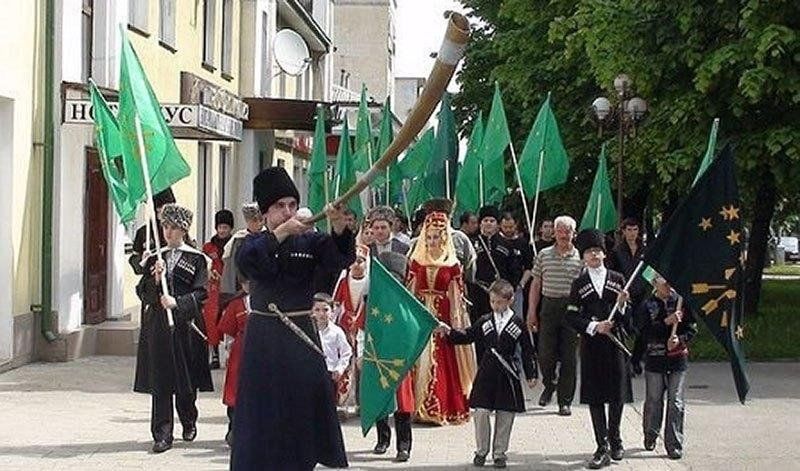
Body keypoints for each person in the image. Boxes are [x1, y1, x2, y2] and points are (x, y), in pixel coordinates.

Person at [232, 167, 352, 470]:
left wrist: (338, 226)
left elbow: (340, 258)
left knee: (304, 408)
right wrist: (283, 231)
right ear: (265, 212)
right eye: (279, 206)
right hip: (264, 342)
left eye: (292, 205)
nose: (287, 212)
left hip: (300, 337)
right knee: (263, 413)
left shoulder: (311, 242)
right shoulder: (252, 243)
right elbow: (249, 265)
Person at [133, 203, 214, 454]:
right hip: (159, 326)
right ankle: (162, 433)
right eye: (165, 227)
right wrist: (154, 280)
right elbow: (142, 293)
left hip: (186, 325)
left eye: (173, 228)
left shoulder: (197, 259)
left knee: (185, 380)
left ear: (183, 229)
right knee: (161, 380)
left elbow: (201, 293)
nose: (168, 232)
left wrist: (178, 302)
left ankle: (188, 418)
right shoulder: (156, 258)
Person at [441, 279, 538, 469]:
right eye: (492, 302)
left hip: (507, 373)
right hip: (486, 371)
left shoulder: (518, 324)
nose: (495, 305)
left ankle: (500, 453)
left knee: (505, 414)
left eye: (499, 302)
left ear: (510, 300)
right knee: (481, 412)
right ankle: (481, 451)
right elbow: (468, 335)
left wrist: (531, 373)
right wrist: (449, 332)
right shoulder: (485, 321)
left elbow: (527, 350)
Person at [565, 229, 632, 469]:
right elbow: (571, 317)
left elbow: (630, 319)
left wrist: (622, 307)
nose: (594, 255)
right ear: (583, 257)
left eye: (598, 251)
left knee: (616, 395)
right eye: (590, 252)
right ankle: (601, 444)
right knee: (595, 396)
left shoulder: (618, 279)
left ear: (604, 254)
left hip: (615, 344)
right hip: (592, 346)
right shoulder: (579, 283)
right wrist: (594, 326)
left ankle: (616, 439)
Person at [406, 202, 477, 426]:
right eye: (429, 237)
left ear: (444, 239)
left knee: (440, 360)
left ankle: (440, 407)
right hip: (420, 317)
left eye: (437, 237)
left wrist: (455, 323)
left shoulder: (453, 265)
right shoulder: (416, 262)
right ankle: (416, 407)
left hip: (443, 317)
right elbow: (409, 290)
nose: (432, 241)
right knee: (420, 360)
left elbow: (457, 297)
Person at [633, 276, 697, 460]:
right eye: (663, 282)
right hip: (655, 359)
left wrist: (680, 339)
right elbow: (643, 332)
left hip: (678, 359)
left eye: (670, 281)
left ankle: (674, 444)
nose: (668, 285)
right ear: (655, 283)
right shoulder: (648, 305)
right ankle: (651, 434)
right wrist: (666, 323)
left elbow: (692, 327)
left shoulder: (681, 301)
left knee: (676, 402)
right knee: (654, 400)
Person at [526, 215, 583, 416]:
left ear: (573, 234)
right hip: (548, 307)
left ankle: (564, 401)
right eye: (560, 230)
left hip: (571, 309)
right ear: (554, 233)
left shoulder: (581, 258)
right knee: (545, 354)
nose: (563, 235)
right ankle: (549, 384)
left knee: (569, 358)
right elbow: (535, 284)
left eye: (567, 231)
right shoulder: (543, 255)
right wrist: (531, 311)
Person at [468, 205, 511, 361]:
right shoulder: (472, 243)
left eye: (492, 221)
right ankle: (480, 360)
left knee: (500, 326)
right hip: (478, 292)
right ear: (480, 223)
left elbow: (513, 271)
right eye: (485, 220)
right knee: (480, 327)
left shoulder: (506, 244)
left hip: (500, 294)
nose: (488, 224)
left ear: (497, 224)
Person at [332, 244, 370, 411]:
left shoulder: (370, 283)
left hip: (364, 329)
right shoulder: (343, 281)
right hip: (346, 328)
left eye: (361, 261)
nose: (356, 265)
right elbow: (336, 305)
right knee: (347, 365)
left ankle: (364, 402)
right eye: (354, 261)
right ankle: (346, 401)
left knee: (363, 365)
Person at [217, 279, 250, 447]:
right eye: (246, 281)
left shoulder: (269, 301)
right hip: (240, 352)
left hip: (263, 352)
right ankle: (234, 430)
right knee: (235, 393)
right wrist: (226, 353)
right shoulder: (236, 304)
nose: (250, 284)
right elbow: (228, 332)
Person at [202, 209, 234, 369]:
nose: (222, 230)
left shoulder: (235, 244)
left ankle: (230, 353)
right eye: (220, 227)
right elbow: (203, 266)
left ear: (230, 228)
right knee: (211, 319)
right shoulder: (208, 247)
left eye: (225, 227)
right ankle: (214, 354)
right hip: (213, 288)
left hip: (230, 287)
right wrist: (210, 273)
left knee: (230, 319)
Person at [312, 292, 353, 405]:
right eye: (317, 310)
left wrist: (339, 369)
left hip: (329, 374)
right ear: (312, 311)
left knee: (328, 405)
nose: (321, 314)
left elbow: (346, 352)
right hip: (311, 373)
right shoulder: (309, 331)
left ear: (332, 310)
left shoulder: (336, 331)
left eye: (325, 310)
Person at [128, 188, 176, 275]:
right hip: (151, 282)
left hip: (174, 282)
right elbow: (134, 262)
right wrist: (142, 260)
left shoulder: (178, 230)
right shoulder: (144, 232)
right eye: (160, 210)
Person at [608, 217, 646, 309]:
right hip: (624, 292)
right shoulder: (616, 251)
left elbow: (649, 271)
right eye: (629, 230)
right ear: (624, 231)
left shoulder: (645, 250)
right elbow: (613, 272)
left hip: (642, 293)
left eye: (635, 229)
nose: (632, 233)